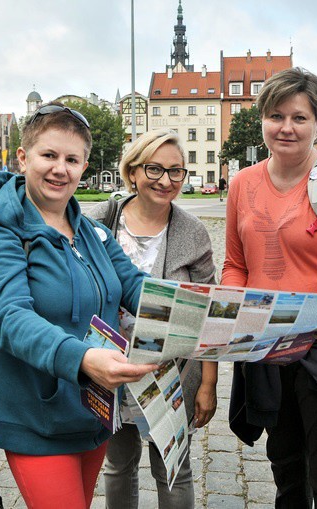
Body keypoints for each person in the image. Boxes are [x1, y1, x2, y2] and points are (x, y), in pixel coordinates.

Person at [0, 102, 158, 509]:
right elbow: (8, 317)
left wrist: (206, 313)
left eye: (72, 159)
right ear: (23, 157)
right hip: (37, 416)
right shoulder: (0, 234)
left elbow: (136, 286)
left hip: (91, 409)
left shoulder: (92, 231)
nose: (60, 169)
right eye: (48, 155)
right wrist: (83, 358)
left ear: (85, 166)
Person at [224, 67, 317, 508]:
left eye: (299, 117)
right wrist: (231, 312)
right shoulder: (242, 183)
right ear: (262, 120)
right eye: (275, 116)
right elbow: (235, 264)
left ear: (316, 122)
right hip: (265, 347)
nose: (286, 127)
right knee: (286, 467)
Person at [87, 129, 218, 508]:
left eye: (176, 172)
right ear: (133, 171)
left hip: (171, 374)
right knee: (118, 465)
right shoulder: (100, 222)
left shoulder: (192, 233)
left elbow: (208, 313)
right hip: (112, 370)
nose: (166, 181)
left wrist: (208, 383)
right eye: (155, 169)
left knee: (174, 469)